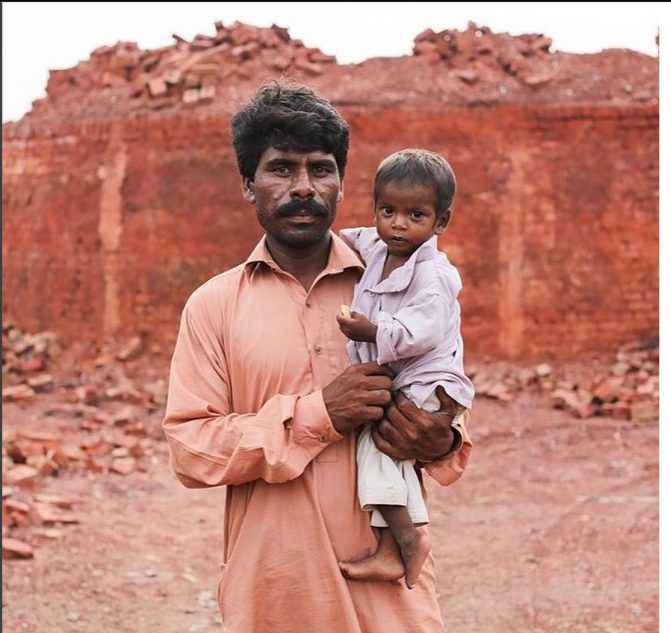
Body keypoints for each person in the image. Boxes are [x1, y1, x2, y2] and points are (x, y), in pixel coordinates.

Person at [162, 81, 471, 633]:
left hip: (389, 599)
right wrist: (318, 416)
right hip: (275, 593)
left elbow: (443, 392)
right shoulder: (213, 306)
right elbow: (192, 449)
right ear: (247, 185)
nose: (303, 187)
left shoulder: (404, 283)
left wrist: (441, 437)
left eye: (320, 169)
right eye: (280, 169)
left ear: (341, 183)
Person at [335, 149, 474, 590]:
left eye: (415, 214)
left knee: (378, 446)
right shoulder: (379, 247)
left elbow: (423, 331)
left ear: (440, 222)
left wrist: (372, 330)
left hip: (429, 378)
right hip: (408, 378)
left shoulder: (433, 275)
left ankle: (407, 540)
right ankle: (401, 545)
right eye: (387, 211)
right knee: (393, 457)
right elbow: (349, 239)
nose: (398, 224)